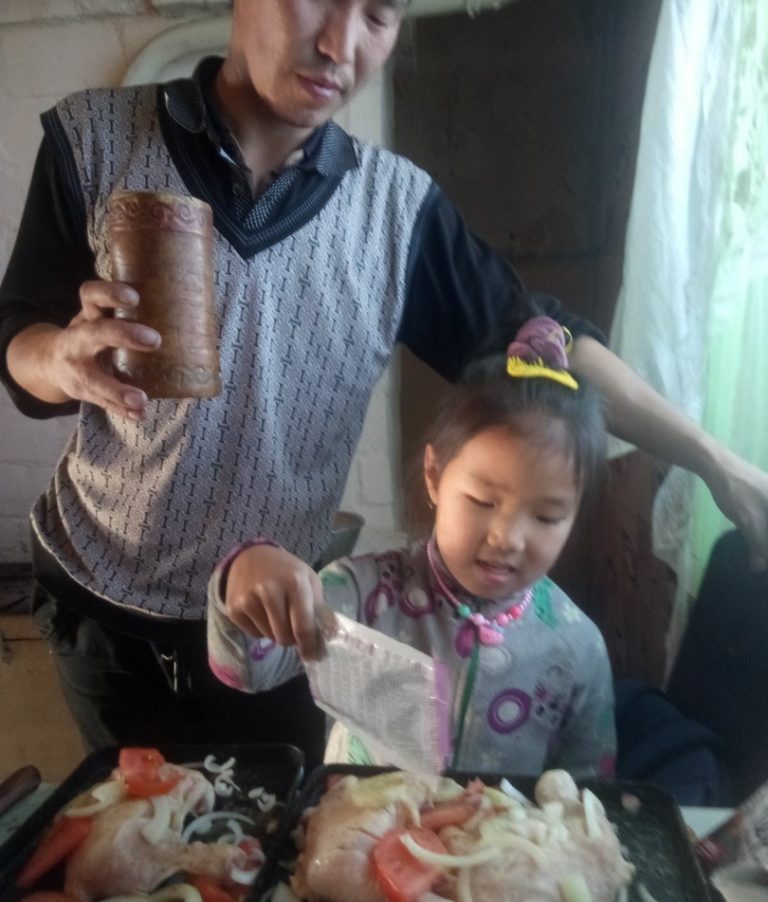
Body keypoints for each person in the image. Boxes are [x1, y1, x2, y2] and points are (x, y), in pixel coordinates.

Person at [1, 1, 766, 763]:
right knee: (142, 817)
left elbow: (548, 340)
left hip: (283, 617)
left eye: (379, 14)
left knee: (277, 818)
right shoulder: (95, 139)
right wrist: (58, 358)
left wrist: (716, 462)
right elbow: (18, 330)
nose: (341, 45)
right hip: (105, 602)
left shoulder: (397, 211)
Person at [208, 316, 616, 777]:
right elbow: (246, 670)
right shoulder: (358, 594)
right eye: (483, 501)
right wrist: (242, 574)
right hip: (359, 819)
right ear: (435, 476)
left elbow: (588, 792)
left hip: (499, 826)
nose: (507, 538)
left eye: (546, 517)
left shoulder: (577, 648)